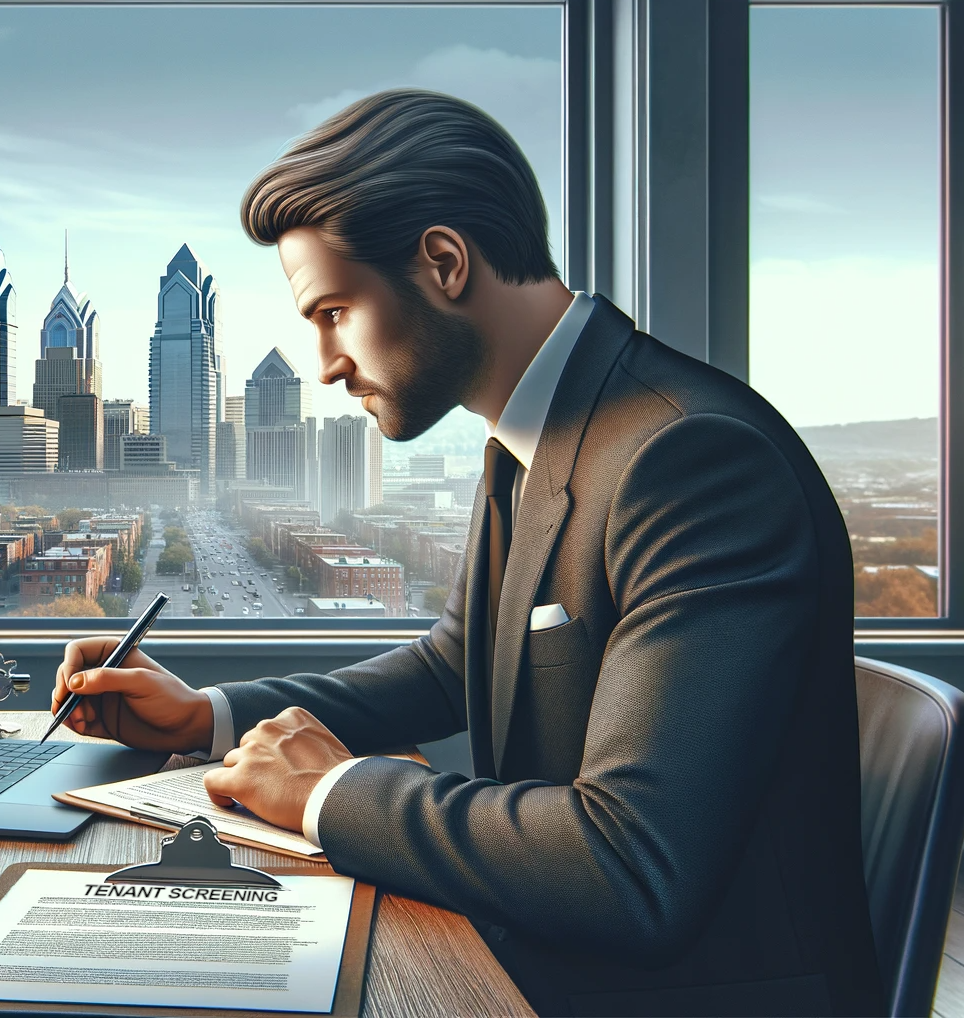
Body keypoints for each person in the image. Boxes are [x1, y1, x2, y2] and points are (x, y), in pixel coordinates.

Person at [51, 89, 881, 1016]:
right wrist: (205, 714)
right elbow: (456, 666)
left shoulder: (688, 459)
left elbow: (631, 863)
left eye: (332, 311)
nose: (324, 362)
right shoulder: (529, 439)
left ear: (444, 263)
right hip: (546, 947)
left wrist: (330, 793)